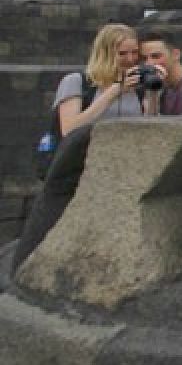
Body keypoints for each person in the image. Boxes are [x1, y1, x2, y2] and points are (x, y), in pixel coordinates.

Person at [13, 23, 148, 270]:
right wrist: (112, 93)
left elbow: (149, 127)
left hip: (116, 171)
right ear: (106, 53)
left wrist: (153, 94)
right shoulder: (77, 81)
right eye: (122, 54)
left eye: (134, 53)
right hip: (75, 170)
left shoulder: (135, 86)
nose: (130, 60)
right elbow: (71, 129)